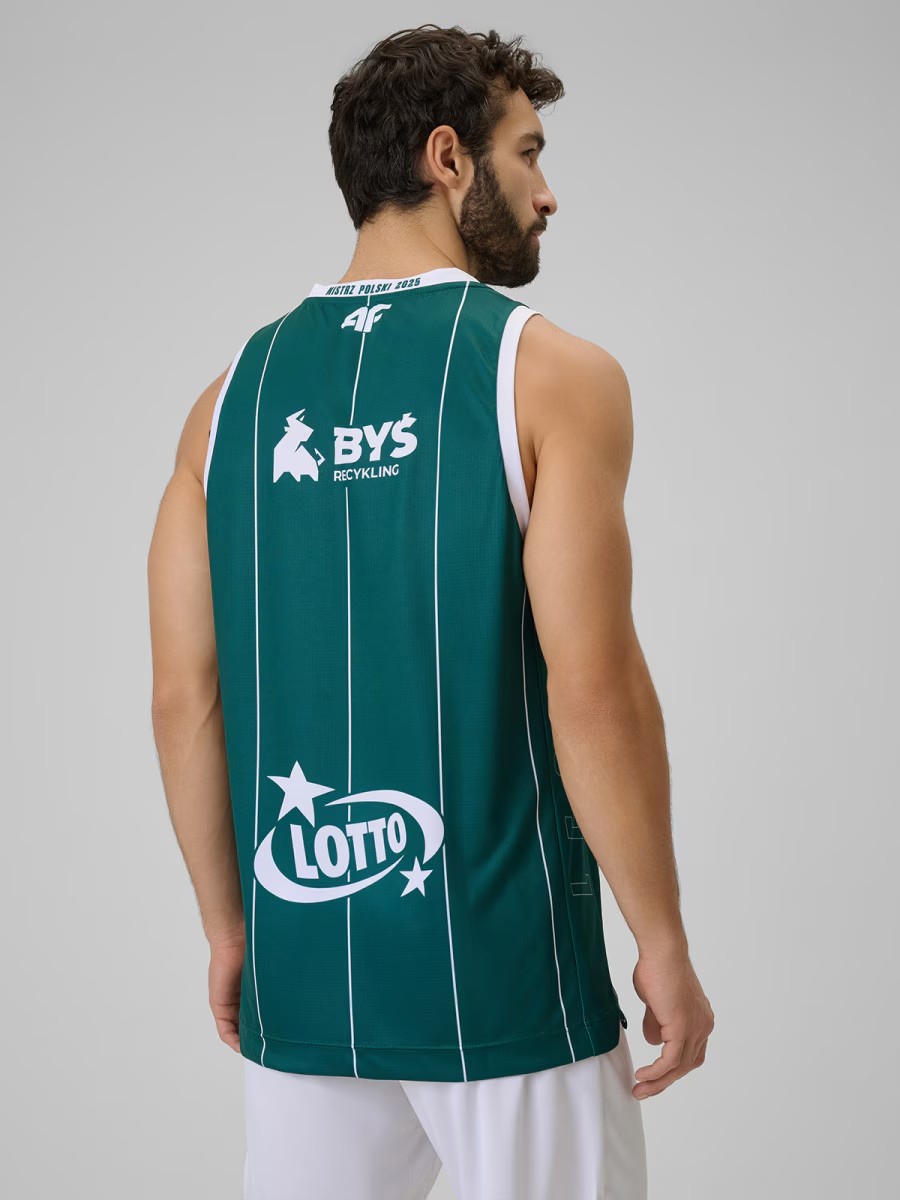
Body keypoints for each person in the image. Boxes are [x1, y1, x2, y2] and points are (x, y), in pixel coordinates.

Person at [147, 23, 714, 1200]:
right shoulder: (551, 374)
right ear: (450, 158)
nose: (548, 195)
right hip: (508, 980)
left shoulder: (225, 403)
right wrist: (660, 935)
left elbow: (183, 696)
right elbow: (594, 688)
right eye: (528, 153)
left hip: (306, 971)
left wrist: (230, 930)